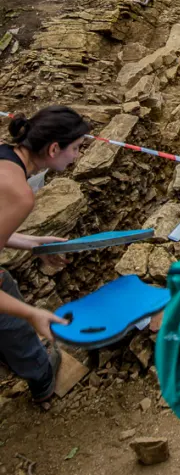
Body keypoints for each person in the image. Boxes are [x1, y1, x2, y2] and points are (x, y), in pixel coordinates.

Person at [0, 106, 92, 404]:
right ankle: (42, 378)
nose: (77, 156)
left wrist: (35, 244)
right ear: (54, 148)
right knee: (11, 315)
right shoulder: (18, 193)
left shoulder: (5, 158)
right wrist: (31, 313)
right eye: (76, 148)